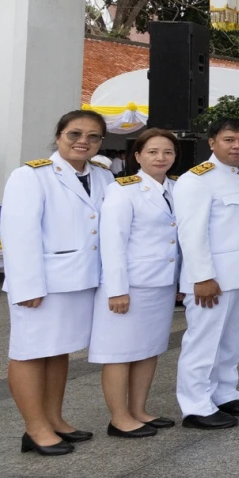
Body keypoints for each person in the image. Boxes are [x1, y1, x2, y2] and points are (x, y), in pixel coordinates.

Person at [0, 110, 114, 454]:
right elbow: (19, 234)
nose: (84, 141)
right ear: (59, 135)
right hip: (44, 283)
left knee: (58, 351)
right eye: (75, 134)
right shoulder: (31, 176)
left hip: (81, 279)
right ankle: (35, 429)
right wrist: (27, 286)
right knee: (30, 353)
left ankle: (54, 419)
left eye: (93, 137)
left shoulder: (104, 176)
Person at [174, 117, 239, 429]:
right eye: (229, 140)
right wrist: (202, 277)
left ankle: (224, 392)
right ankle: (196, 405)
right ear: (212, 142)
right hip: (213, 278)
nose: (237, 146)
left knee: (231, 341)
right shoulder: (197, 180)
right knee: (203, 341)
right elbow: (192, 234)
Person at [93, 127, 181, 438]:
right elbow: (113, 242)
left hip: (161, 283)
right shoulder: (123, 190)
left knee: (148, 349)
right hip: (130, 286)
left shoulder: (175, 188)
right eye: (153, 152)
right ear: (138, 156)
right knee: (120, 353)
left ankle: (139, 409)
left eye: (168, 152)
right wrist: (117, 289)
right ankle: (119, 418)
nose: (161, 157)